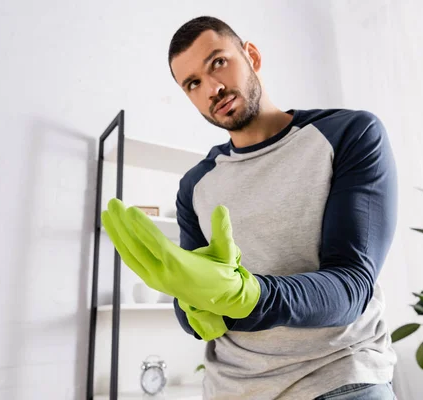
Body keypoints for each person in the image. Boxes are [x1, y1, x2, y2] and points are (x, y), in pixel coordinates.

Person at [102, 15, 398, 400]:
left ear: (252, 56)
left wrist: (250, 295)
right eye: (193, 83)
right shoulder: (195, 186)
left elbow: (350, 287)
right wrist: (194, 306)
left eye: (218, 63)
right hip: (232, 389)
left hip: (340, 378)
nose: (213, 87)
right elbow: (192, 313)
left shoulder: (348, 135)